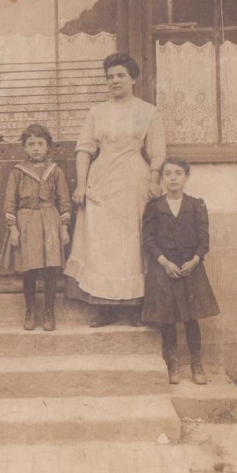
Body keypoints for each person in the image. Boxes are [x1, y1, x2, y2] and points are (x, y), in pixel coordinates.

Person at [64, 52, 166, 327]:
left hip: (134, 182)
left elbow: (157, 152)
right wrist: (82, 185)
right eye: (109, 77)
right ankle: (103, 307)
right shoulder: (97, 112)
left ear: (133, 78)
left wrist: (155, 181)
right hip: (102, 182)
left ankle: (135, 307)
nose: (114, 81)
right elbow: (84, 150)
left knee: (132, 243)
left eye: (120, 75)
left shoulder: (147, 112)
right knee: (102, 244)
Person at [141, 158, 219, 384]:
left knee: (191, 318)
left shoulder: (196, 205)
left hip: (189, 269)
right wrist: (164, 262)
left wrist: (195, 261)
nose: (172, 178)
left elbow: (204, 240)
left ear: (186, 177)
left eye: (178, 173)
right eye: (167, 174)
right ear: (162, 178)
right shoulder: (154, 207)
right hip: (164, 269)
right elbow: (148, 240)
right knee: (168, 318)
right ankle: (172, 363)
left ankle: (196, 364)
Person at [0, 123, 72, 332]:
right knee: (29, 269)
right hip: (26, 222)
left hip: (50, 220)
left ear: (48, 146)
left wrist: (64, 228)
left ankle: (49, 311)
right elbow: (9, 202)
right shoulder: (18, 172)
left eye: (40, 143)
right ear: (24, 147)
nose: (36, 148)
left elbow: (64, 201)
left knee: (50, 269)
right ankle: (30, 310)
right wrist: (13, 228)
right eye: (31, 144)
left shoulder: (55, 171)